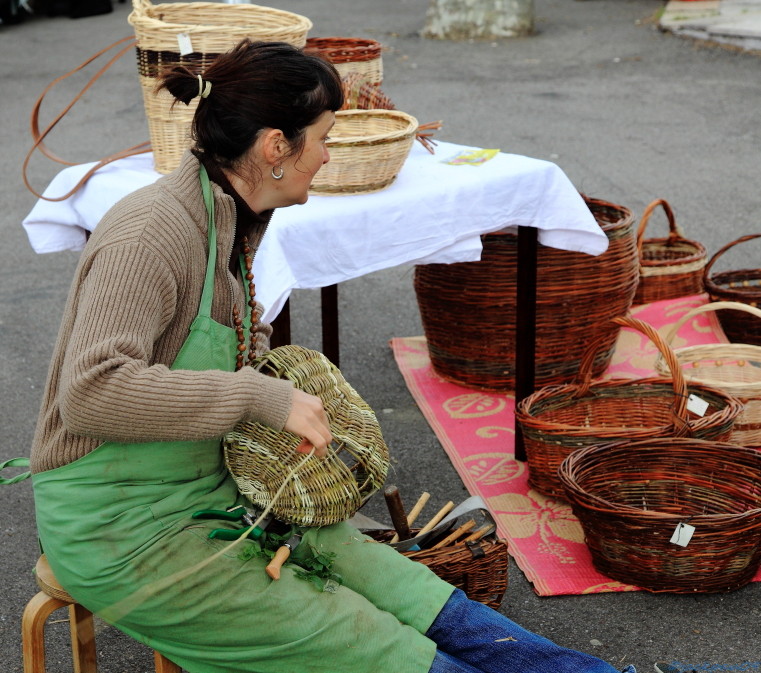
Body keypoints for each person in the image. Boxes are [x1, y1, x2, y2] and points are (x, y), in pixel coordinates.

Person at [27, 38, 636, 673]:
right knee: (371, 646)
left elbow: (209, 345)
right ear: (274, 148)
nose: (326, 156)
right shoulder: (152, 231)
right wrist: (266, 396)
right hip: (121, 531)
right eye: (322, 137)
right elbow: (93, 391)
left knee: (412, 593)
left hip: (205, 491)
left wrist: (269, 369)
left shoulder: (228, 218)